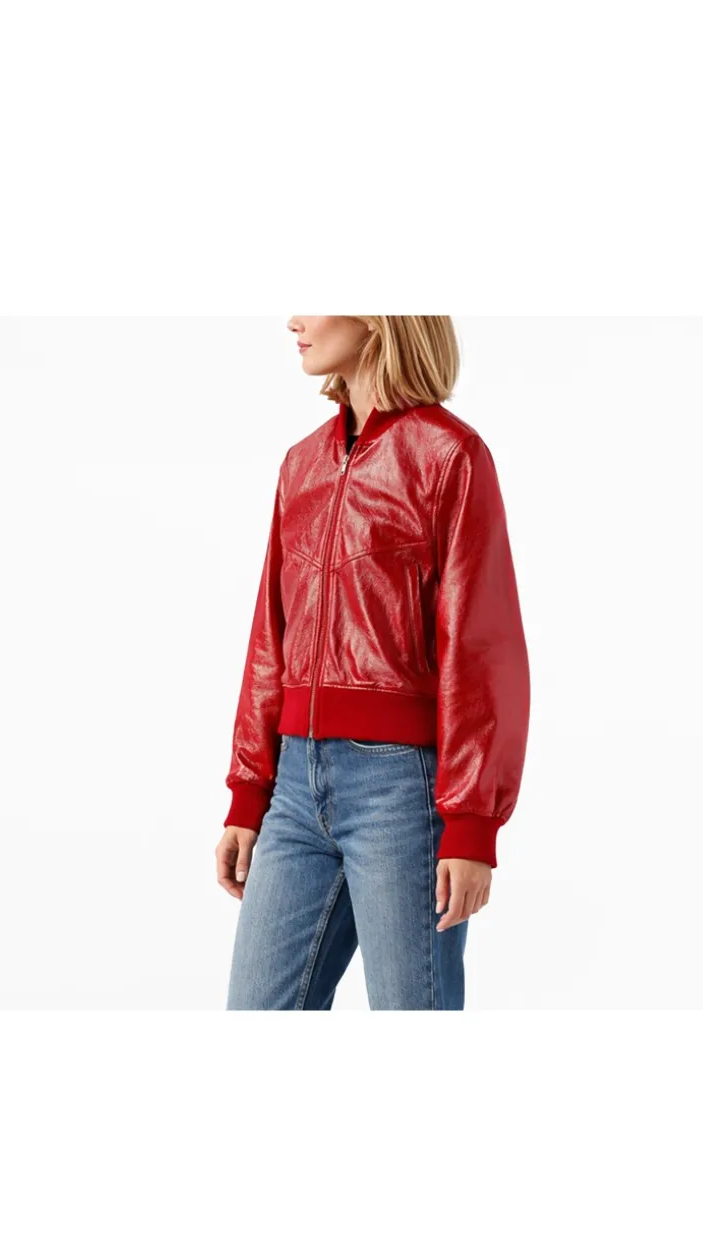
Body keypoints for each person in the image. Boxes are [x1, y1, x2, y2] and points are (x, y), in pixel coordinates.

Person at [217, 316, 530, 1009]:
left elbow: (482, 647)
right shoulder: (301, 463)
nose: (294, 319)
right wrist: (249, 789)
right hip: (293, 788)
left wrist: (472, 823)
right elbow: (270, 634)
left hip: (400, 790)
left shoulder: (449, 456)